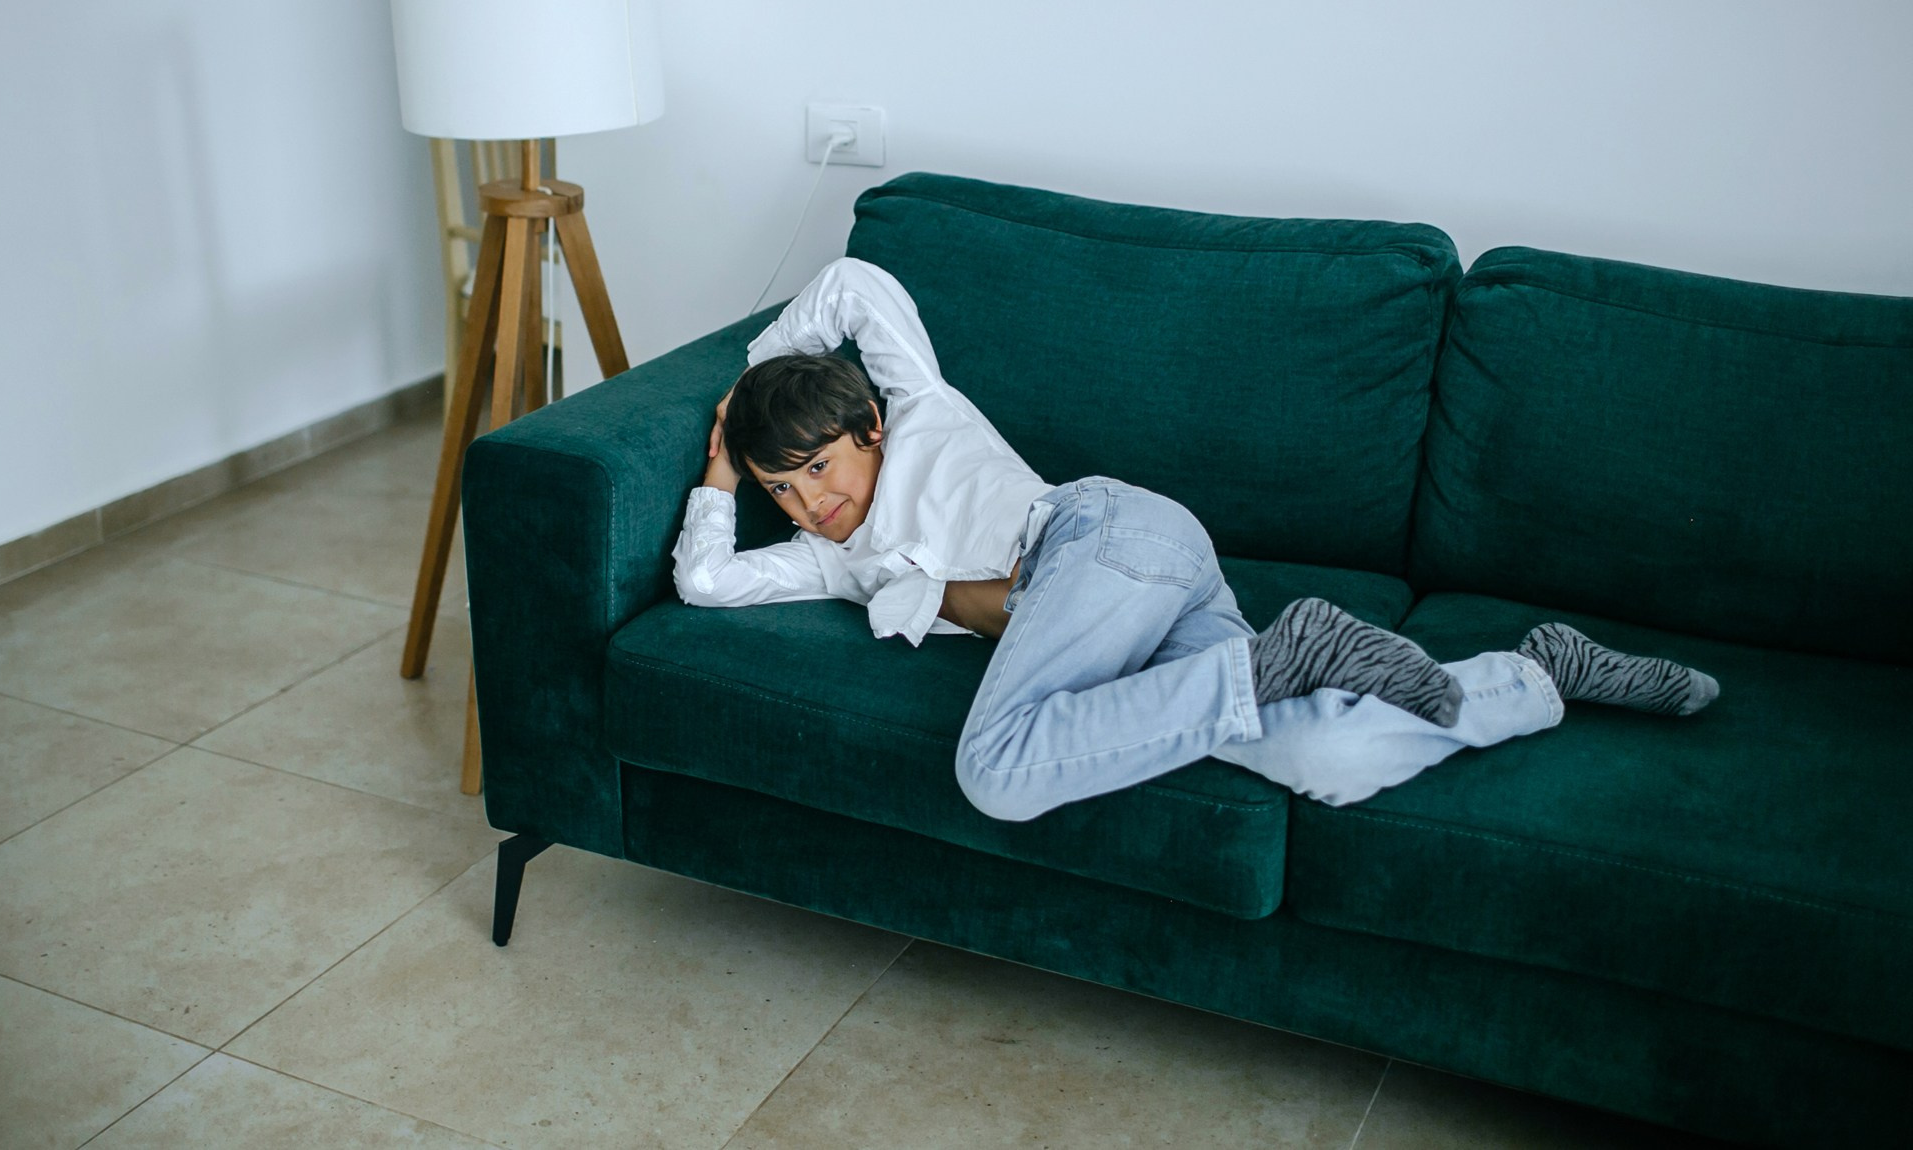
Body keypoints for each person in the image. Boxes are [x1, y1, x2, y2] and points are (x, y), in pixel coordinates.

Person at [672, 258, 1718, 819]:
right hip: (1120, 608)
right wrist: (723, 475)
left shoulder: (920, 404)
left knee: (995, 766)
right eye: (783, 487)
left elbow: (852, 282)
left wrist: (745, 385)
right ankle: (1538, 675)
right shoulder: (827, 555)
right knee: (1326, 753)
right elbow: (708, 581)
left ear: (868, 429)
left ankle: (1277, 652)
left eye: (817, 468)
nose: (808, 503)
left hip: (1099, 537)